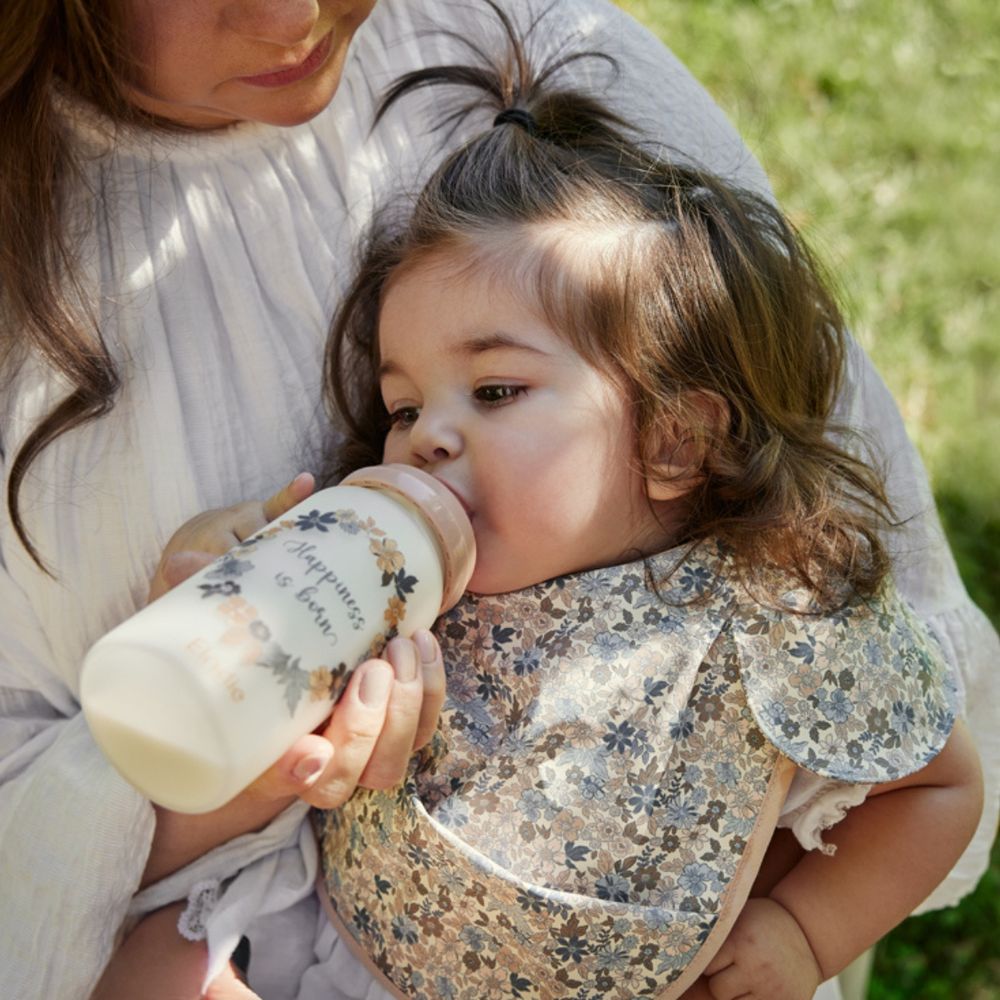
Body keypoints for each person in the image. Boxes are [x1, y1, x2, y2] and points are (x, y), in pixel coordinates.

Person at [0, 1, 995, 999]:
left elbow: (941, 784)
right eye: (400, 405)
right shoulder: (407, 597)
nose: (423, 436)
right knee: (156, 968)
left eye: (497, 392)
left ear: (676, 437)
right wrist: (236, 613)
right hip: (336, 947)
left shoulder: (764, 617)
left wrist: (799, 933)